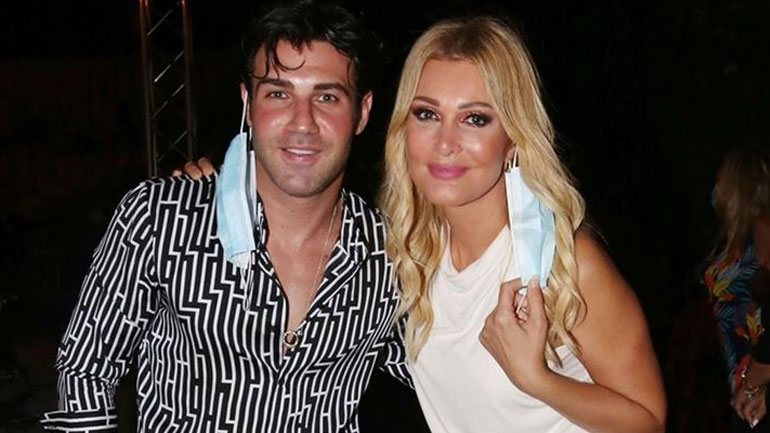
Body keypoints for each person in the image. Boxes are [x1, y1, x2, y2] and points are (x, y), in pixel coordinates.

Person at [41, 1, 410, 431]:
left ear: (362, 112)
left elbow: (446, 375)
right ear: (247, 103)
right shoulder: (163, 216)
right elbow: (86, 368)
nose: (302, 122)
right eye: (278, 94)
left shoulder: (395, 252)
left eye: (327, 97)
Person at [378, 16, 667, 432]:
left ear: (513, 136)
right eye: (426, 114)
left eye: (475, 119)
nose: (444, 143)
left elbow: (648, 422)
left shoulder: (562, 261)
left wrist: (536, 378)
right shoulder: (412, 254)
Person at [703, 147, 770, 431]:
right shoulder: (729, 242)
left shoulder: (763, 233)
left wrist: (753, 383)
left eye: (720, 180)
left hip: (758, 384)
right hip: (741, 387)